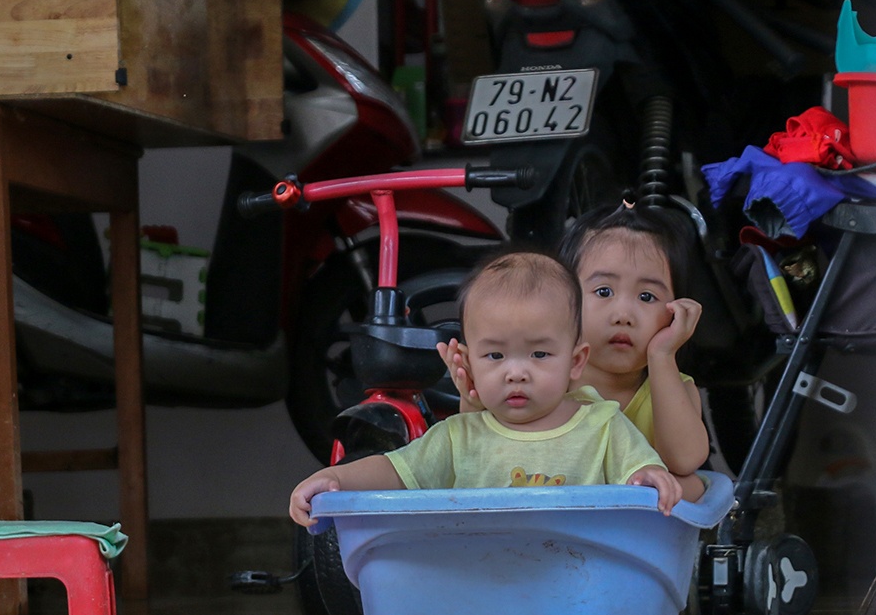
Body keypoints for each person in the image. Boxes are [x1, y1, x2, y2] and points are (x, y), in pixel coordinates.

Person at [288, 249, 682, 527]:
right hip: (483, 586)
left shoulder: (603, 426)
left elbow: (640, 469)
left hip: (577, 583)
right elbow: (394, 471)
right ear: (468, 362)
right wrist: (337, 478)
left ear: (576, 362)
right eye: (495, 356)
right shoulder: (458, 437)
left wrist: (650, 475)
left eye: (540, 354)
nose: (516, 373)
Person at [440, 202, 713, 504]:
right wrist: (472, 400)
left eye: (647, 297)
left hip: (630, 527)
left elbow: (685, 461)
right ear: (561, 300)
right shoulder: (542, 380)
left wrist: (662, 356)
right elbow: (479, 452)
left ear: (674, 310)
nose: (623, 315)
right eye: (604, 292)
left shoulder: (673, 388)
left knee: (690, 487)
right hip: (546, 509)